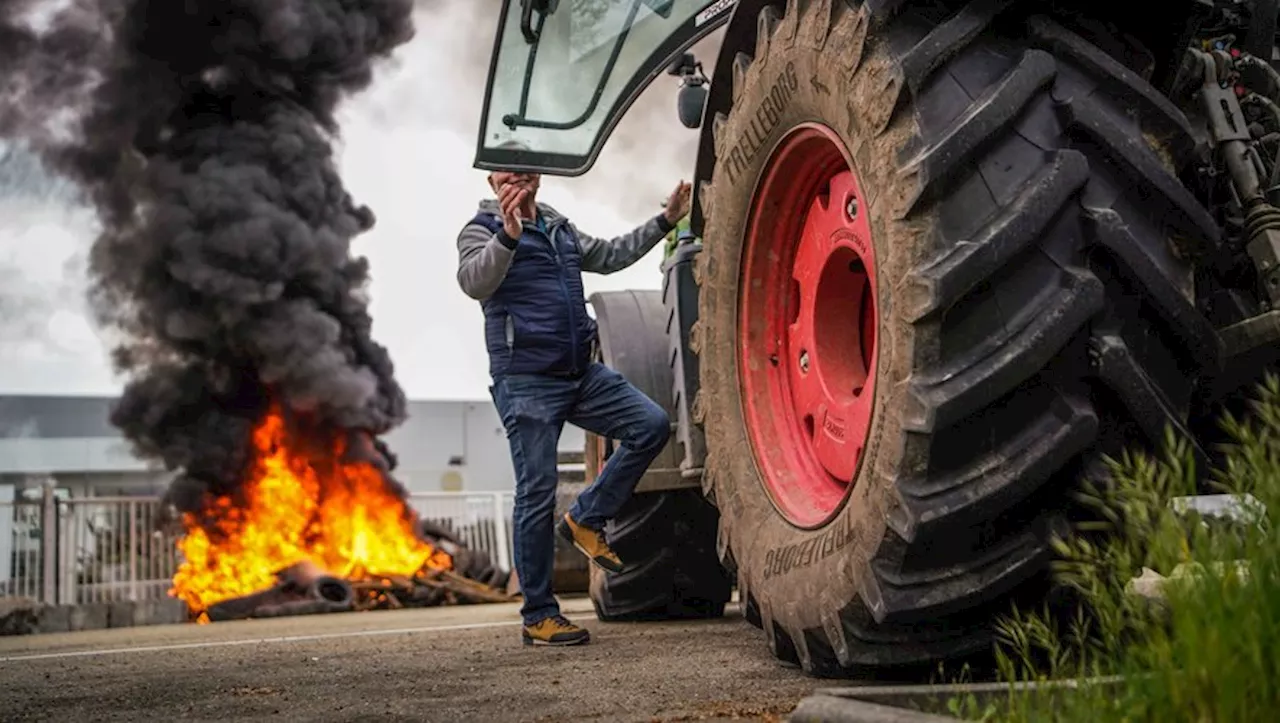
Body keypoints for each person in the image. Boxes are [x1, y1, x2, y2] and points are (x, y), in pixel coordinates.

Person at [456, 156, 693, 647]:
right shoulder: (480, 230)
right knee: (536, 494)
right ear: (491, 181)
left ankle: (585, 516)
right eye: (506, 172)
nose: (516, 177)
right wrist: (509, 234)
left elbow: (609, 255)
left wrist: (665, 221)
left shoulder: (560, 228)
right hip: (525, 381)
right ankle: (539, 615)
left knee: (650, 425)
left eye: (525, 170)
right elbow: (474, 281)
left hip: (579, 373)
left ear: (537, 176)